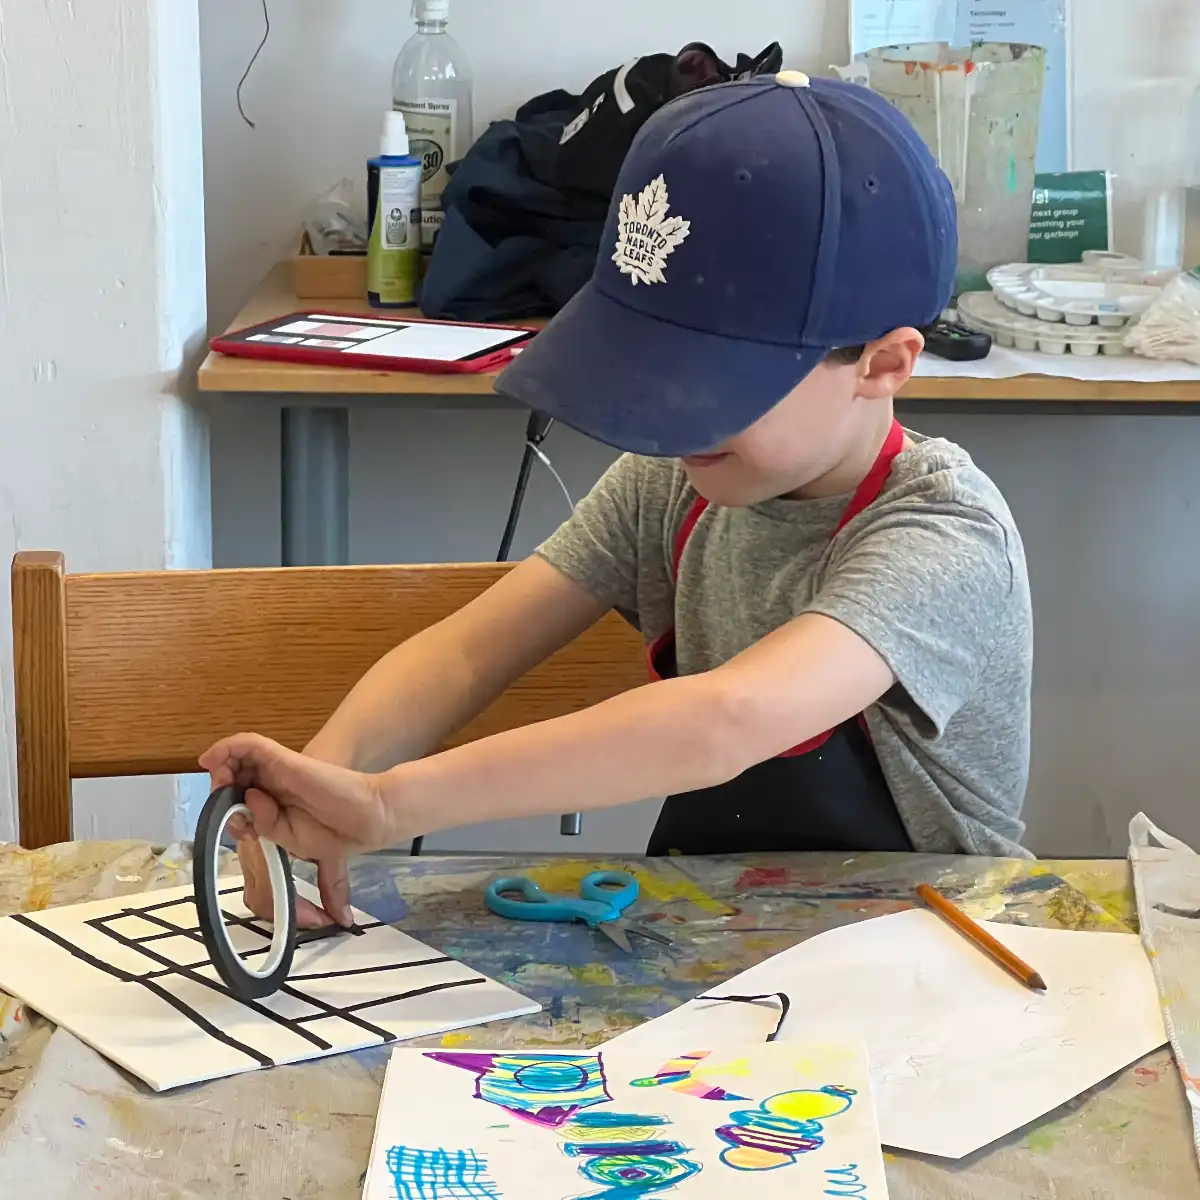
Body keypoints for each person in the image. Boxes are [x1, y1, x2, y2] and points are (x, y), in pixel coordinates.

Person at [202, 70, 1033, 930]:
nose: (673, 418)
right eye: (655, 368)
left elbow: (727, 719)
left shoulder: (946, 536)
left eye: (716, 382)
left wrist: (388, 804)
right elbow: (463, 657)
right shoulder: (674, 481)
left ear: (884, 363)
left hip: (935, 949)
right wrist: (328, 783)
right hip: (722, 934)